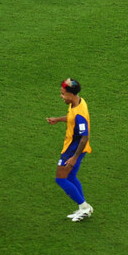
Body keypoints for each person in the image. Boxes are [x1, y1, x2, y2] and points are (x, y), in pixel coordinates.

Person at [46, 78, 93, 222]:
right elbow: (71, 117)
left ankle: (84, 207)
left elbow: (84, 137)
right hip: (75, 149)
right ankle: (83, 207)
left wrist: (73, 157)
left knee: (60, 179)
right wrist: (58, 119)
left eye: (63, 94)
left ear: (71, 95)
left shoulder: (80, 115)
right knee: (71, 177)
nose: (61, 96)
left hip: (73, 150)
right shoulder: (78, 101)